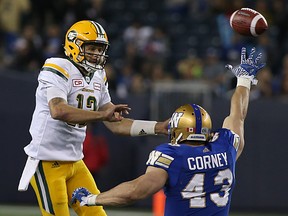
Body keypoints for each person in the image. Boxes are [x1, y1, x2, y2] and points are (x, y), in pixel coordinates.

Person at [71, 47, 265, 216]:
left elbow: (135, 191)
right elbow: (238, 114)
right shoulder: (226, 147)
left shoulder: (171, 155)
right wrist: (244, 80)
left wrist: (92, 199)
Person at [18, 20, 169, 216]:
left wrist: (158, 127)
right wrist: (101, 115)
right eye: (91, 48)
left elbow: (116, 124)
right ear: (74, 45)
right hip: (47, 161)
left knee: (97, 214)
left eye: (100, 49)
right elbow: (58, 110)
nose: (97, 54)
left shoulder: (98, 76)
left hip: (75, 161)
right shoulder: (57, 67)